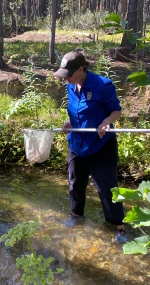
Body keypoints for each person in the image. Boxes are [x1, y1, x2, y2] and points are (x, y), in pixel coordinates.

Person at [54, 51, 129, 244]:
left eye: (69, 75)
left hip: (100, 144)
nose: (66, 79)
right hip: (77, 142)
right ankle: (76, 214)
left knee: (107, 187)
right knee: (75, 182)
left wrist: (106, 122)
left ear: (81, 69)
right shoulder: (71, 86)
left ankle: (119, 226)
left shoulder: (102, 85)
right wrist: (69, 123)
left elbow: (116, 110)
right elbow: (75, 111)